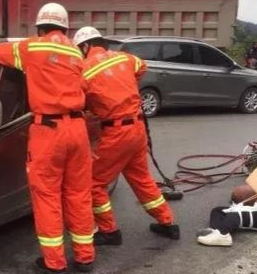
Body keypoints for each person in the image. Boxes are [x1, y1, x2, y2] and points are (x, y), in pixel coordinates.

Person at [0, 3, 94, 274]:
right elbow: (85, 86)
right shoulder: (75, 53)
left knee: (47, 196)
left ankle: (54, 263)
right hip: (78, 129)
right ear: (65, 27)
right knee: (79, 194)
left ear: (40, 27)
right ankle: (85, 257)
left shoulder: (32, 48)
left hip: (49, 130)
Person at [72, 26, 180, 246]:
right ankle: (168, 223)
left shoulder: (84, 69)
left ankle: (109, 231)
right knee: (142, 179)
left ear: (86, 46)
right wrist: (123, 87)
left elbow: (80, 101)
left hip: (116, 133)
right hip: (136, 129)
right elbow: (142, 68)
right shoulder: (125, 58)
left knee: (94, 182)